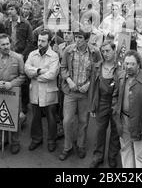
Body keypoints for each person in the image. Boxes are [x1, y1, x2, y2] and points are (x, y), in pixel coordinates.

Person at [59, 29, 102, 161]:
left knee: (83, 121)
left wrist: (89, 84)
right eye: (76, 37)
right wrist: (69, 80)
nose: (77, 40)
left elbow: (99, 70)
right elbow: (63, 68)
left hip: (85, 94)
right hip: (70, 92)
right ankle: (67, 147)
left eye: (81, 38)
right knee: (67, 121)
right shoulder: (69, 51)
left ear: (87, 40)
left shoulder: (94, 52)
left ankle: (81, 145)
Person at [112, 50, 142, 168]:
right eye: (126, 63)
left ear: (139, 65)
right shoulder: (120, 76)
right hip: (123, 121)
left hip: (138, 123)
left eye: (132, 64)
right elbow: (115, 96)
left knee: (140, 155)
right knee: (125, 150)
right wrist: (116, 112)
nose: (128, 67)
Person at [0, 34, 26, 154]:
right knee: (0, 117)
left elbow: (23, 75)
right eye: (3, 44)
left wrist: (13, 84)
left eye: (7, 44)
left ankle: (15, 142)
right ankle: (1, 141)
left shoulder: (18, 57)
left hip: (14, 93)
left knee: (14, 118)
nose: (6, 46)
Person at [24, 29, 60, 153]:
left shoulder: (54, 56)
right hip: (35, 92)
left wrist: (35, 75)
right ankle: (36, 139)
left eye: (43, 41)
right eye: (39, 40)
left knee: (51, 118)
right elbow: (27, 69)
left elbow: (52, 74)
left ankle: (51, 140)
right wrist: (40, 71)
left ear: (49, 42)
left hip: (49, 92)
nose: (40, 43)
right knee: (35, 117)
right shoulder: (32, 54)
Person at [88, 40, 121, 168]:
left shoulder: (120, 67)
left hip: (115, 102)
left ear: (114, 51)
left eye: (108, 51)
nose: (105, 53)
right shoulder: (97, 66)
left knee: (115, 131)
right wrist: (92, 106)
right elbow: (92, 87)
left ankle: (112, 156)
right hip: (101, 101)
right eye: (103, 51)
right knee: (99, 131)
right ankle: (98, 156)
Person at [4, 2, 34, 128]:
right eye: (8, 9)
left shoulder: (25, 24)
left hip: (21, 55)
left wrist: (23, 54)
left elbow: (31, 41)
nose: (10, 11)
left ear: (17, 10)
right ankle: (13, 104)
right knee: (11, 79)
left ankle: (24, 105)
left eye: (12, 8)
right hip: (10, 54)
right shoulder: (7, 23)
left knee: (24, 81)